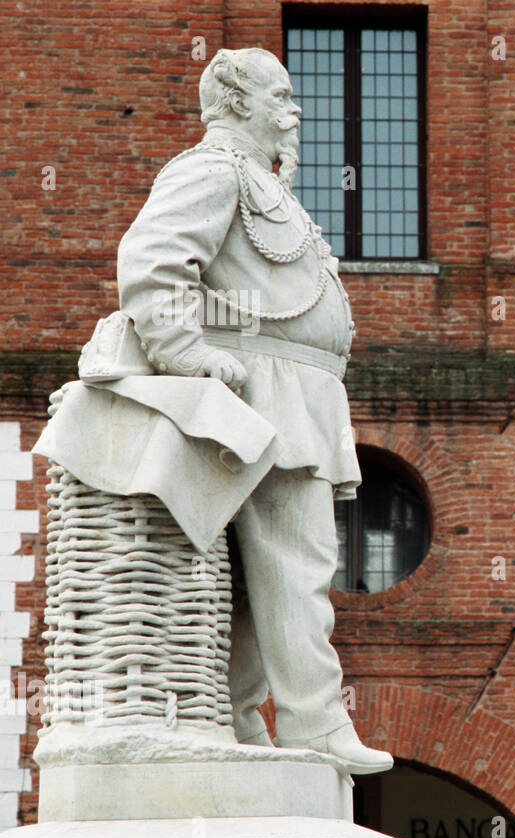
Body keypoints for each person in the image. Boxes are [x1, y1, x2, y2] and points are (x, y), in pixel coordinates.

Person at [114, 47, 392, 774]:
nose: (294, 111)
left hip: (298, 395)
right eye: (281, 95)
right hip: (262, 393)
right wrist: (187, 353)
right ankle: (315, 722)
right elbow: (152, 260)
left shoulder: (254, 179)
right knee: (299, 565)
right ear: (238, 103)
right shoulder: (211, 170)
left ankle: (238, 717)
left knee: (253, 584)